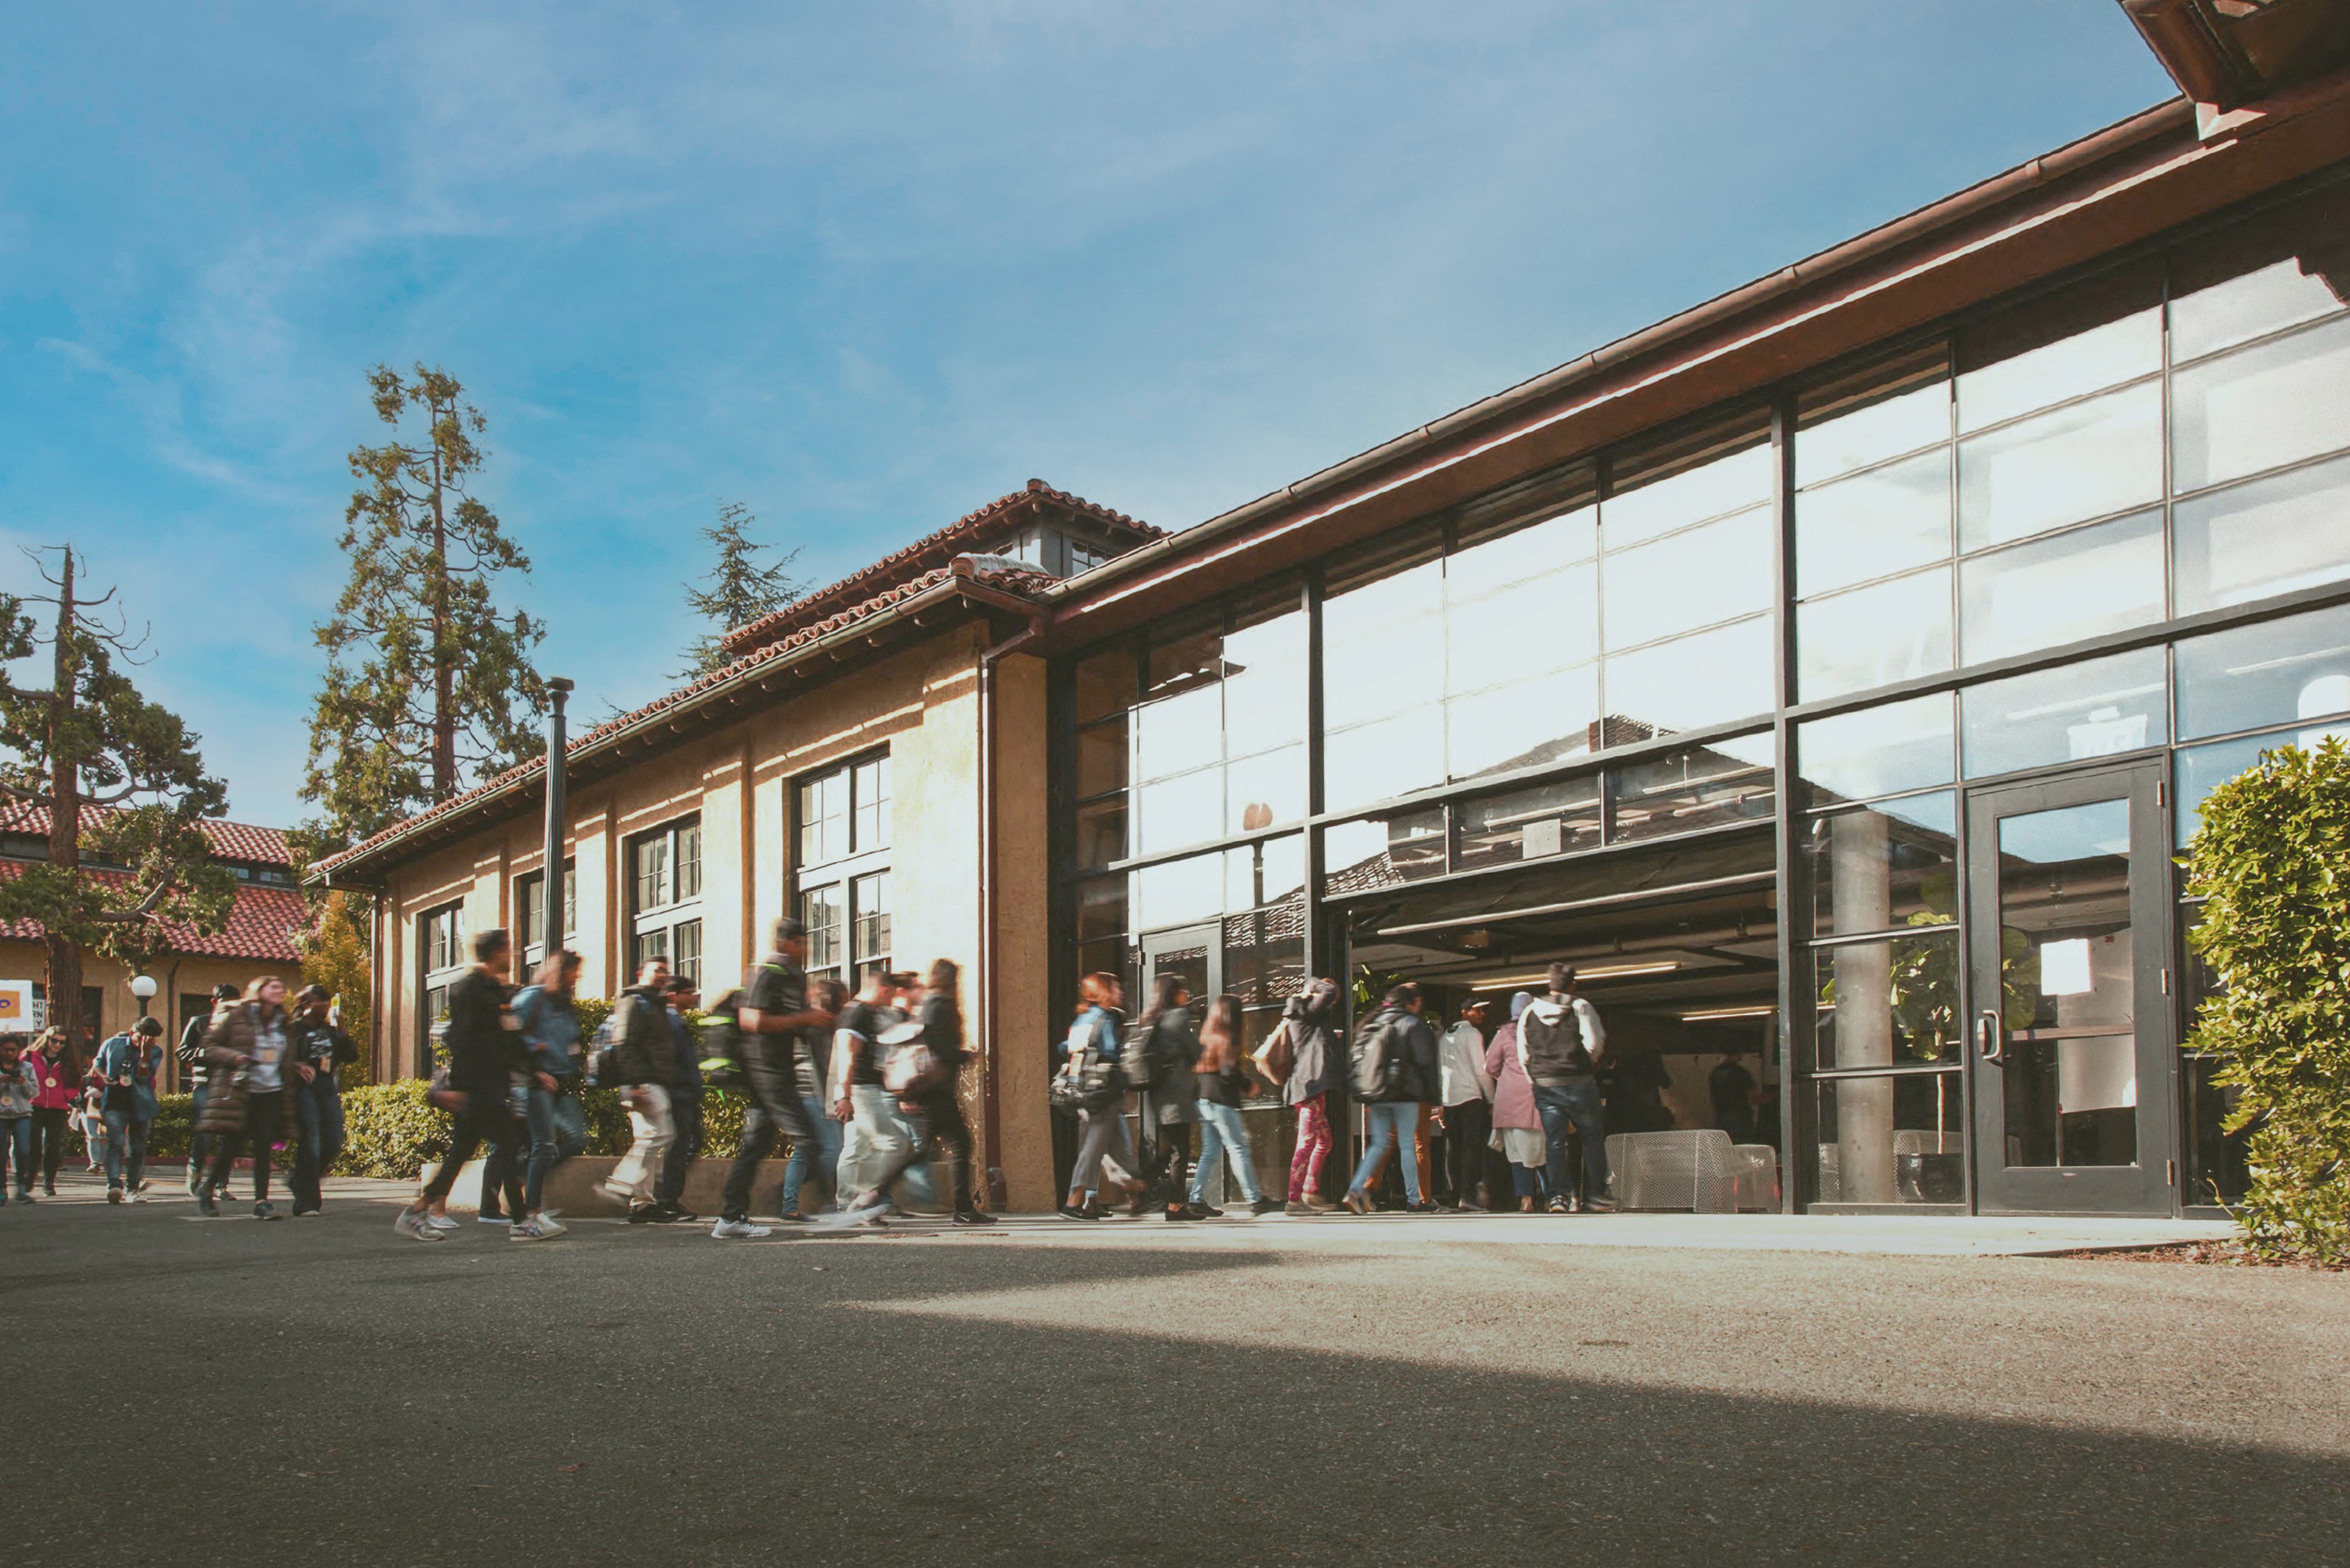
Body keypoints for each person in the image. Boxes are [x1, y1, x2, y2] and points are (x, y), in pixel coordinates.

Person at [394, 931, 527, 1240]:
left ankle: (417, 1211)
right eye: (507, 951)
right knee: (505, 1146)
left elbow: (504, 1040)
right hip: (477, 1086)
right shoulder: (470, 990)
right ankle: (523, 1220)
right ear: (495, 953)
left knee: (466, 1151)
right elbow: (462, 1040)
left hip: (490, 1085)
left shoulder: (493, 990)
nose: (511, 956)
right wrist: (459, 1088)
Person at [715, 919, 835, 1240]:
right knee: (810, 1139)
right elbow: (750, 1020)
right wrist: (803, 1018)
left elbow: (795, 1024)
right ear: (784, 943)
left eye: (806, 941)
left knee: (755, 1146)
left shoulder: (795, 979)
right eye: (799, 942)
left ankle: (730, 1217)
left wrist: (813, 1022)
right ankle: (829, 1208)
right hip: (766, 1071)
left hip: (778, 1071)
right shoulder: (767, 973)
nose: (805, 948)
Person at [825, 970, 931, 1226]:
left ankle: (848, 1205)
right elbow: (848, 1056)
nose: (892, 1002)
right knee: (894, 1144)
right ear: (884, 991)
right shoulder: (856, 1013)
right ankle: (864, 1199)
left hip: (865, 1089)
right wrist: (844, 1094)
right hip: (862, 1090)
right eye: (891, 995)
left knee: (855, 1148)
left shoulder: (865, 1012)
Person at [198, 977, 295, 1219]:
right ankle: (207, 1190)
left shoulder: (283, 1021)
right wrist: (235, 1057)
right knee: (232, 1146)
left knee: (264, 1147)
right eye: (273, 987)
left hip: (271, 1091)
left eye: (280, 987)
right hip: (243, 1091)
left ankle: (262, 1202)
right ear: (258, 990)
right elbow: (208, 1047)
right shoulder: (235, 1014)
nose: (279, 990)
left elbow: (288, 1054)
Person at [1518, 961, 1612, 1213]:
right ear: (1573, 985)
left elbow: (1523, 1054)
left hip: (1545, 1085)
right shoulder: (1581, 1006)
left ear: (1549, 983)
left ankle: (1558, 1197)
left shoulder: (1529, 1012)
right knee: (1591, 1137)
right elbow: (1595, 1043)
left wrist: (1535, 1080)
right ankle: (1596, 1195)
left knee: (1555, 1141)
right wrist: (1584, 1066)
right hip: (1578, 1082)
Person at [596, 960, 681, 1224]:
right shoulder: (634, 1001)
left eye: (665, 971)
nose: (662, 976)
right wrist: (634, 1084)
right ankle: (622, 1181)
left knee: (648, 1137)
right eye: (657, 970)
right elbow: (624, 1042)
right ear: (640, 973)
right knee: (662, 1134)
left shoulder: (656, 1003)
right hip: (641, 1081)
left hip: (651, 1079)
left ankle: (642, 1204)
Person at [510, 950, 586, 1241]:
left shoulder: (566, 1006)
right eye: (572, 972)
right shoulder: (533, 998)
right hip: (536, 1080)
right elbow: (511, 1036)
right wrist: (536, 1065)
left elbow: (571, 1042)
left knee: (578, 1137)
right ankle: (532, 1212)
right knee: (544, 1144)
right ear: (559, 971)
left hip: (561, 1081)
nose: (576, 977)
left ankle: (524, 1175)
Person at [1342, 983, 1438, 1215]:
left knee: (1379, 1144)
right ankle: (1414, 1201)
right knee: (1407, 1145)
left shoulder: (1372, 1023)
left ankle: (1355, 1189)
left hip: (1376, 1094)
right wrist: (1434, 1098)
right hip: (1406, 1095)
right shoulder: (1413, 1024)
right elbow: (1426, 1063)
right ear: (1410, 1003)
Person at [1058, 972, 1143, 1221]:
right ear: (1104, 991)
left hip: (1084, 1091)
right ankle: (1073, 1202)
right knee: (1093, 1149)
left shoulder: (1083, 1019)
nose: (1120, 991)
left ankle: (1139, 1192)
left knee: (1117, 1147)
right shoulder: (1105, 1019)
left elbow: (1065, 1047)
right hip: (1104, 1093)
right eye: (1115, 986)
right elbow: (1111, 1053)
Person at [913, 958, 991, 1225]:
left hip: (937, 1088)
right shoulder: (940, 1006)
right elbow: (939, 1048)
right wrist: (964, 1056)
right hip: (937, 1089)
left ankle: (964, 1210)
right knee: (956, 1146)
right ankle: (874, 1194)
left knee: (930, 1149)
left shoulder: (930, 1004)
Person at [1188, 994, 1279, 1217]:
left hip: (1204, 1100)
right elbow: (1228, 1072)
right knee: (1238, 1148)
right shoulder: (1228, 1038)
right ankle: (1255, 1199)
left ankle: (1195, 1199)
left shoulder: (1208, 1037)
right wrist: (1248, 1084)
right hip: (1221, 1102)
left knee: (1209, 1153)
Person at [778, 976, 848, 1219]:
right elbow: (822, 1068)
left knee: (803, 1152)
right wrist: (831, 1102)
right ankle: (825, 1198)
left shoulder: (810, 1023)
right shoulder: (818, 1026)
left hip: (804, 1095)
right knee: (833, 1148)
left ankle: (789, 1204)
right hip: (815, 1096)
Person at [284, 986, 355, 1218]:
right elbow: (281, 1057)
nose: (325, 1005)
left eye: (327, 1001)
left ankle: (299, 1180)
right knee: (311, 1142)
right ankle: (306, 1202)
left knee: (334, 1141)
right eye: (320, 1001)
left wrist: (343, 1031)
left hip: (326, 1086)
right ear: (306, 1003)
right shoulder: (294, 1030)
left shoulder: (330, 1030)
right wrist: (296, 1066)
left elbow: (351, 1057)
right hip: (304, 1088)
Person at [1135, 975, 1198, 1221]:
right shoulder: (1178, 1017)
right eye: (1183, 989)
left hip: (1158, 1093)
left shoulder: (1152, 1019)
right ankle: (1173, 1205)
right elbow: (1195, 1052)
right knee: (1180, 1151)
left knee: (1171, 1147)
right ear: (1174, 993)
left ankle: (1144, 1184)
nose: (1187, 993)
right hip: (1176, 1094)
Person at [1281, 979, 1343, 1215]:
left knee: (1324, 1141)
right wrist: (1313, 986)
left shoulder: (1305, 1015)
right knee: (1307, 1142)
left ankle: (1310, 1191)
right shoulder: (1304, 1010)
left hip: (1311, 1087)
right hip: (1309, 1088)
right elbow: (1327, 990)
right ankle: (1294, 1200)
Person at [93, 1016, 166, 1204]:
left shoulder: (155, 1052)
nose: (146, 1041)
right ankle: (114, 1185)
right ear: (133, 1032)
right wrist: (104, 1077)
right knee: (116, 1144)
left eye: (151, 1038)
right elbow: (98, 1063)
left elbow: (143, 1077)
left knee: (138, 1148)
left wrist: (144, 1053)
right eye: (142, 1037)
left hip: (141, 1103)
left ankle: (133, 1189)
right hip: (115, 1103)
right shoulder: (112, 1044)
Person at [1485, 993, 1547, 1211]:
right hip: (1538, 1097)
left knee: (1517, 1155)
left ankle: (1525, 1199)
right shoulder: (1542, 1032)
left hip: (1510, 1101)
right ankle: (1550, 1198)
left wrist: (1508, 1076)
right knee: (1542, 1152)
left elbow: (1490, 1066)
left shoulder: (1504, 1034)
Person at [1435, 997, 1497, 1211]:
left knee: (1453, 1148)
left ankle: (1454, 1193)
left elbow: (1441, 1071)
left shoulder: (1444, 1038)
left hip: (1449, 1098)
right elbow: (1482, 1069)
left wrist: (1441, 1101)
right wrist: (1491, 1098)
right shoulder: (1472, 1034)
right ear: (1465, 1012)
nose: (1482, 1014)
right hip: (1470, 1097)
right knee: (1471, 1149)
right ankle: (1467, 1195)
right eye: (1478, 1011)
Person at [179, 984, 238, 1199]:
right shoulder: (199, 1022)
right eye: (226, 1001)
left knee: (228, 1136)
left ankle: (221, 1184)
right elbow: (181, 1051)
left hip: (229, 1084)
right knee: (205, 1133)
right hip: (205, 1083)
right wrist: (203, 1052)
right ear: (214, 1002)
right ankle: (195, 1174)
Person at [657, 972, 706, 1223]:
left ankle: (664, 1195)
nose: (694, 996)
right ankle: (666, 1200)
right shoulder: (671, 1022)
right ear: (674, 996)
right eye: (689, 993)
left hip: (686, 1093)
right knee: (680, 1147)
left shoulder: (678, 1021)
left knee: (690, 1144)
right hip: (680, 1094)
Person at [26, 1028, 79, 1197]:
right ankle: (30, 1178)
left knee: (53, 1145)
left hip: (57, 1108)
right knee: (33, 1144)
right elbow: (18, 1073)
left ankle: (49, 1181)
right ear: (46, 1039)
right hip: (34, 1106)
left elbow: (76, 1081)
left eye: (62, 1042)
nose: (57, 1045)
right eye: (54, 1040)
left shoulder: (68, 1061)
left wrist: (66, 1096)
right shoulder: (29, 1056)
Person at [0, 1033, 37, 1204]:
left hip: (22, 1114)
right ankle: (1, 1189)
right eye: (6, 1050)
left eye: (13, 1050)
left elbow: (34, 1093)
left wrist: (23, 1082)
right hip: (1, 1114)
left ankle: (21, 1187)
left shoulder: (27, 1067)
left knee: (23, 1150)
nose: (9, 1053)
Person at [1709, 1051, 1760, 1144]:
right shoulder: (1742, 1073)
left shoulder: (1715, 1073)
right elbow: (1755, 1099)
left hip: (1721, 1119)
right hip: (1741, 1120)